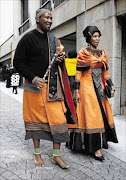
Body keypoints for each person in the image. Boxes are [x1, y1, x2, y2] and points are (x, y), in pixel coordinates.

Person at [13, 8, 74, 168]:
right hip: (34, 89)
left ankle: (56, 157)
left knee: (59, 120)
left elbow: (59, 63)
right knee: (36, 122)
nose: (49, 20)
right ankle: (37, 153)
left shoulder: (54, 40)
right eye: (46, 17)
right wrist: (33, 78)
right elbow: (18, 62)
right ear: (38, 19)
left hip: (53, 88)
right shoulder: (27, 39)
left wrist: (61, 59)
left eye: (51, 18)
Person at [67, 26, 118, 161]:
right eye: (94, 36)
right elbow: (78, 72)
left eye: (98, 36)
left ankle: (96, 145)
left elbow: (105, 73)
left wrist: (111, 85)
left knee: (101, 115)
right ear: (89, 38)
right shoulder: (84, 52)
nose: (97, 39)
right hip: (87, 87)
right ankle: (96, 149)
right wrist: (76, 91)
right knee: (92, 116)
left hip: (99, 87)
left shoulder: (103, 53)